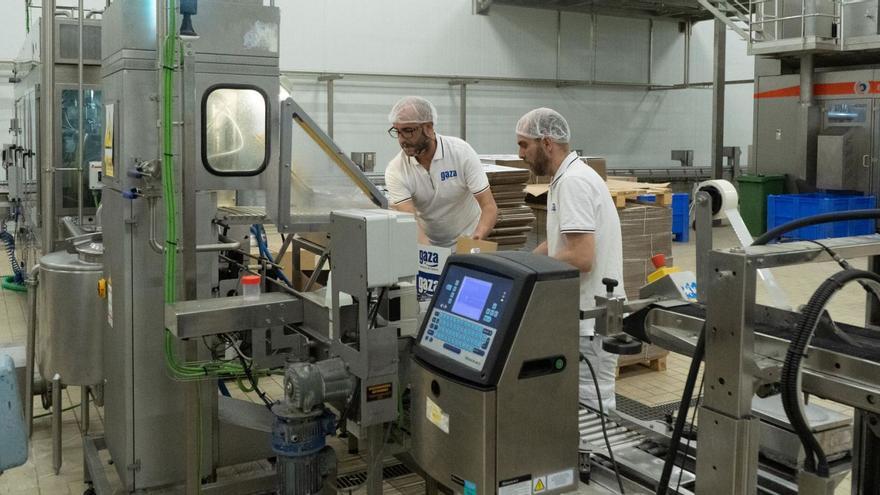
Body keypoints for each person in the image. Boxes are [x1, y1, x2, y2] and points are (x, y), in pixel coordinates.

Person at [515, 107, 625, 411]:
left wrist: (529, 276)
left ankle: (597, 459)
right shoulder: (569, 176)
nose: (521, 154)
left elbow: (580, 256)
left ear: (546, 142)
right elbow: (559, 241)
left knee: (592, 410)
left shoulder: (573, 182)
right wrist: (518, 264)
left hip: (591, 320)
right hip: (582, 315)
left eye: (524, 145)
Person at [384, 96, 497, 247]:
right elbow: (410, 221)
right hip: (426, 242)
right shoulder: (396, 169)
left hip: (468, 237)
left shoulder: (461, 152)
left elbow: (489, 206)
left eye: (408, 131)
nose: (402, 139)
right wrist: (432, 256)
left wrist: (475, 240)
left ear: (429, 128)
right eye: (397, 131)